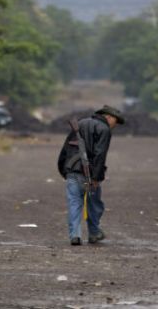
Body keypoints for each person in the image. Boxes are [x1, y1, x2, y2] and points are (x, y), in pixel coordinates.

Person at [57, 105, 125, 245]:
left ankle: (75, 236)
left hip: (72, 171)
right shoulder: (104, 129)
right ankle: (93, 233)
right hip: (90, 174)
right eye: (116, 122)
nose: (115, 125)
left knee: (74, 204)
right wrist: (96, 177)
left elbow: (66, 149)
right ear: (109, 117)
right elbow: (100, 155)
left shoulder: (80, 124)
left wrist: (63, 170)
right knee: (94, 204)